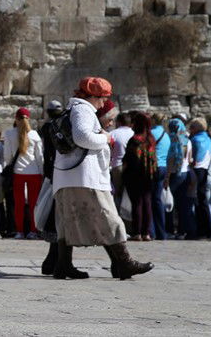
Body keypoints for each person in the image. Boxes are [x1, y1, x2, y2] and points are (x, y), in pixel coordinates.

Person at [54, 77, 152, 281]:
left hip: (70, 176)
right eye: (102, 98)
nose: (102, 104)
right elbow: (82, 137)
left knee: (68, 220)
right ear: (93, 96)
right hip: (85, 177)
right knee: (108, 217)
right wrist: (105, 138)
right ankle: (124, 263)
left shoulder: (73, 109)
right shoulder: (83, 110)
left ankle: (63, 264)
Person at [37, 100, 85, 277]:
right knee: (60, 218)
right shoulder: (59, 127)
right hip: (61, 174)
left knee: (57, 217)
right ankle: (55, 261)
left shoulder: (46, 128)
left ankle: (53, 261)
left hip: (53, 174)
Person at [3, 107, 44, 239]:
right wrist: (42, 173)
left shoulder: (9, 134)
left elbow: (7, 156)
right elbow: (40, 157)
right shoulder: (34, 135)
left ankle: (19, 231)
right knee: (34, 204)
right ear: (28, 119)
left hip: (18, 173)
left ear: (16, 118)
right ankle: (33, 231)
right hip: (34, 173)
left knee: (18, 204)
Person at [122, 112, 156, 242]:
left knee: (137, 203)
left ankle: (137, 232)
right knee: (147, 202)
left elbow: (128, 159)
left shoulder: (135, 140)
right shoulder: (151, 139)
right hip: (149, 175)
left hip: (134, 175)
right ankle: (146, 233)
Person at [165, 117, 195, 240]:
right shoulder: (187, 140)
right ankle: (182, 230)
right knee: (182, 204)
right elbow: (190, 159)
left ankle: (169, 229)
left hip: (173, 174)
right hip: (185, 173)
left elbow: (170, 160)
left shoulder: (170, 140)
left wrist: (167, 177)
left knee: (169, 203)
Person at [188, 117, 211, 239]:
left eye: (192, 127)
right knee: (205, 201)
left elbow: (195, 159)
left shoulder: (195, 139)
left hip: (197, 170)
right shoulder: (208, 138)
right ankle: (209, 229)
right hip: (206, 170)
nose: (190, 129)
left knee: (198, 201)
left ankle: (202, 230)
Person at [149, 113, 170, 240]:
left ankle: (151, 231)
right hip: (163, 167)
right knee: (157, 199)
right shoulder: (166, 135)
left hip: (153, 167)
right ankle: (162, 232)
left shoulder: (152, 133)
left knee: (149, 199)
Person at [108, 110, 134, 210]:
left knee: (117, 193)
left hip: (117, 166)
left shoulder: (112, 134)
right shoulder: (134, 133)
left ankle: (118, 213)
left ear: (118, 122)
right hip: (132, 167)